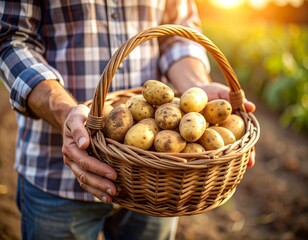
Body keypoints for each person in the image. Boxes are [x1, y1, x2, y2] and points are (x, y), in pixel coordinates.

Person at [0, 0, 256, 239]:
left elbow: (179, 31)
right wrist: (64, 110)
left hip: (160, 177)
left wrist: (197, 88)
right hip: (57, 171)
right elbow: (12, 39)